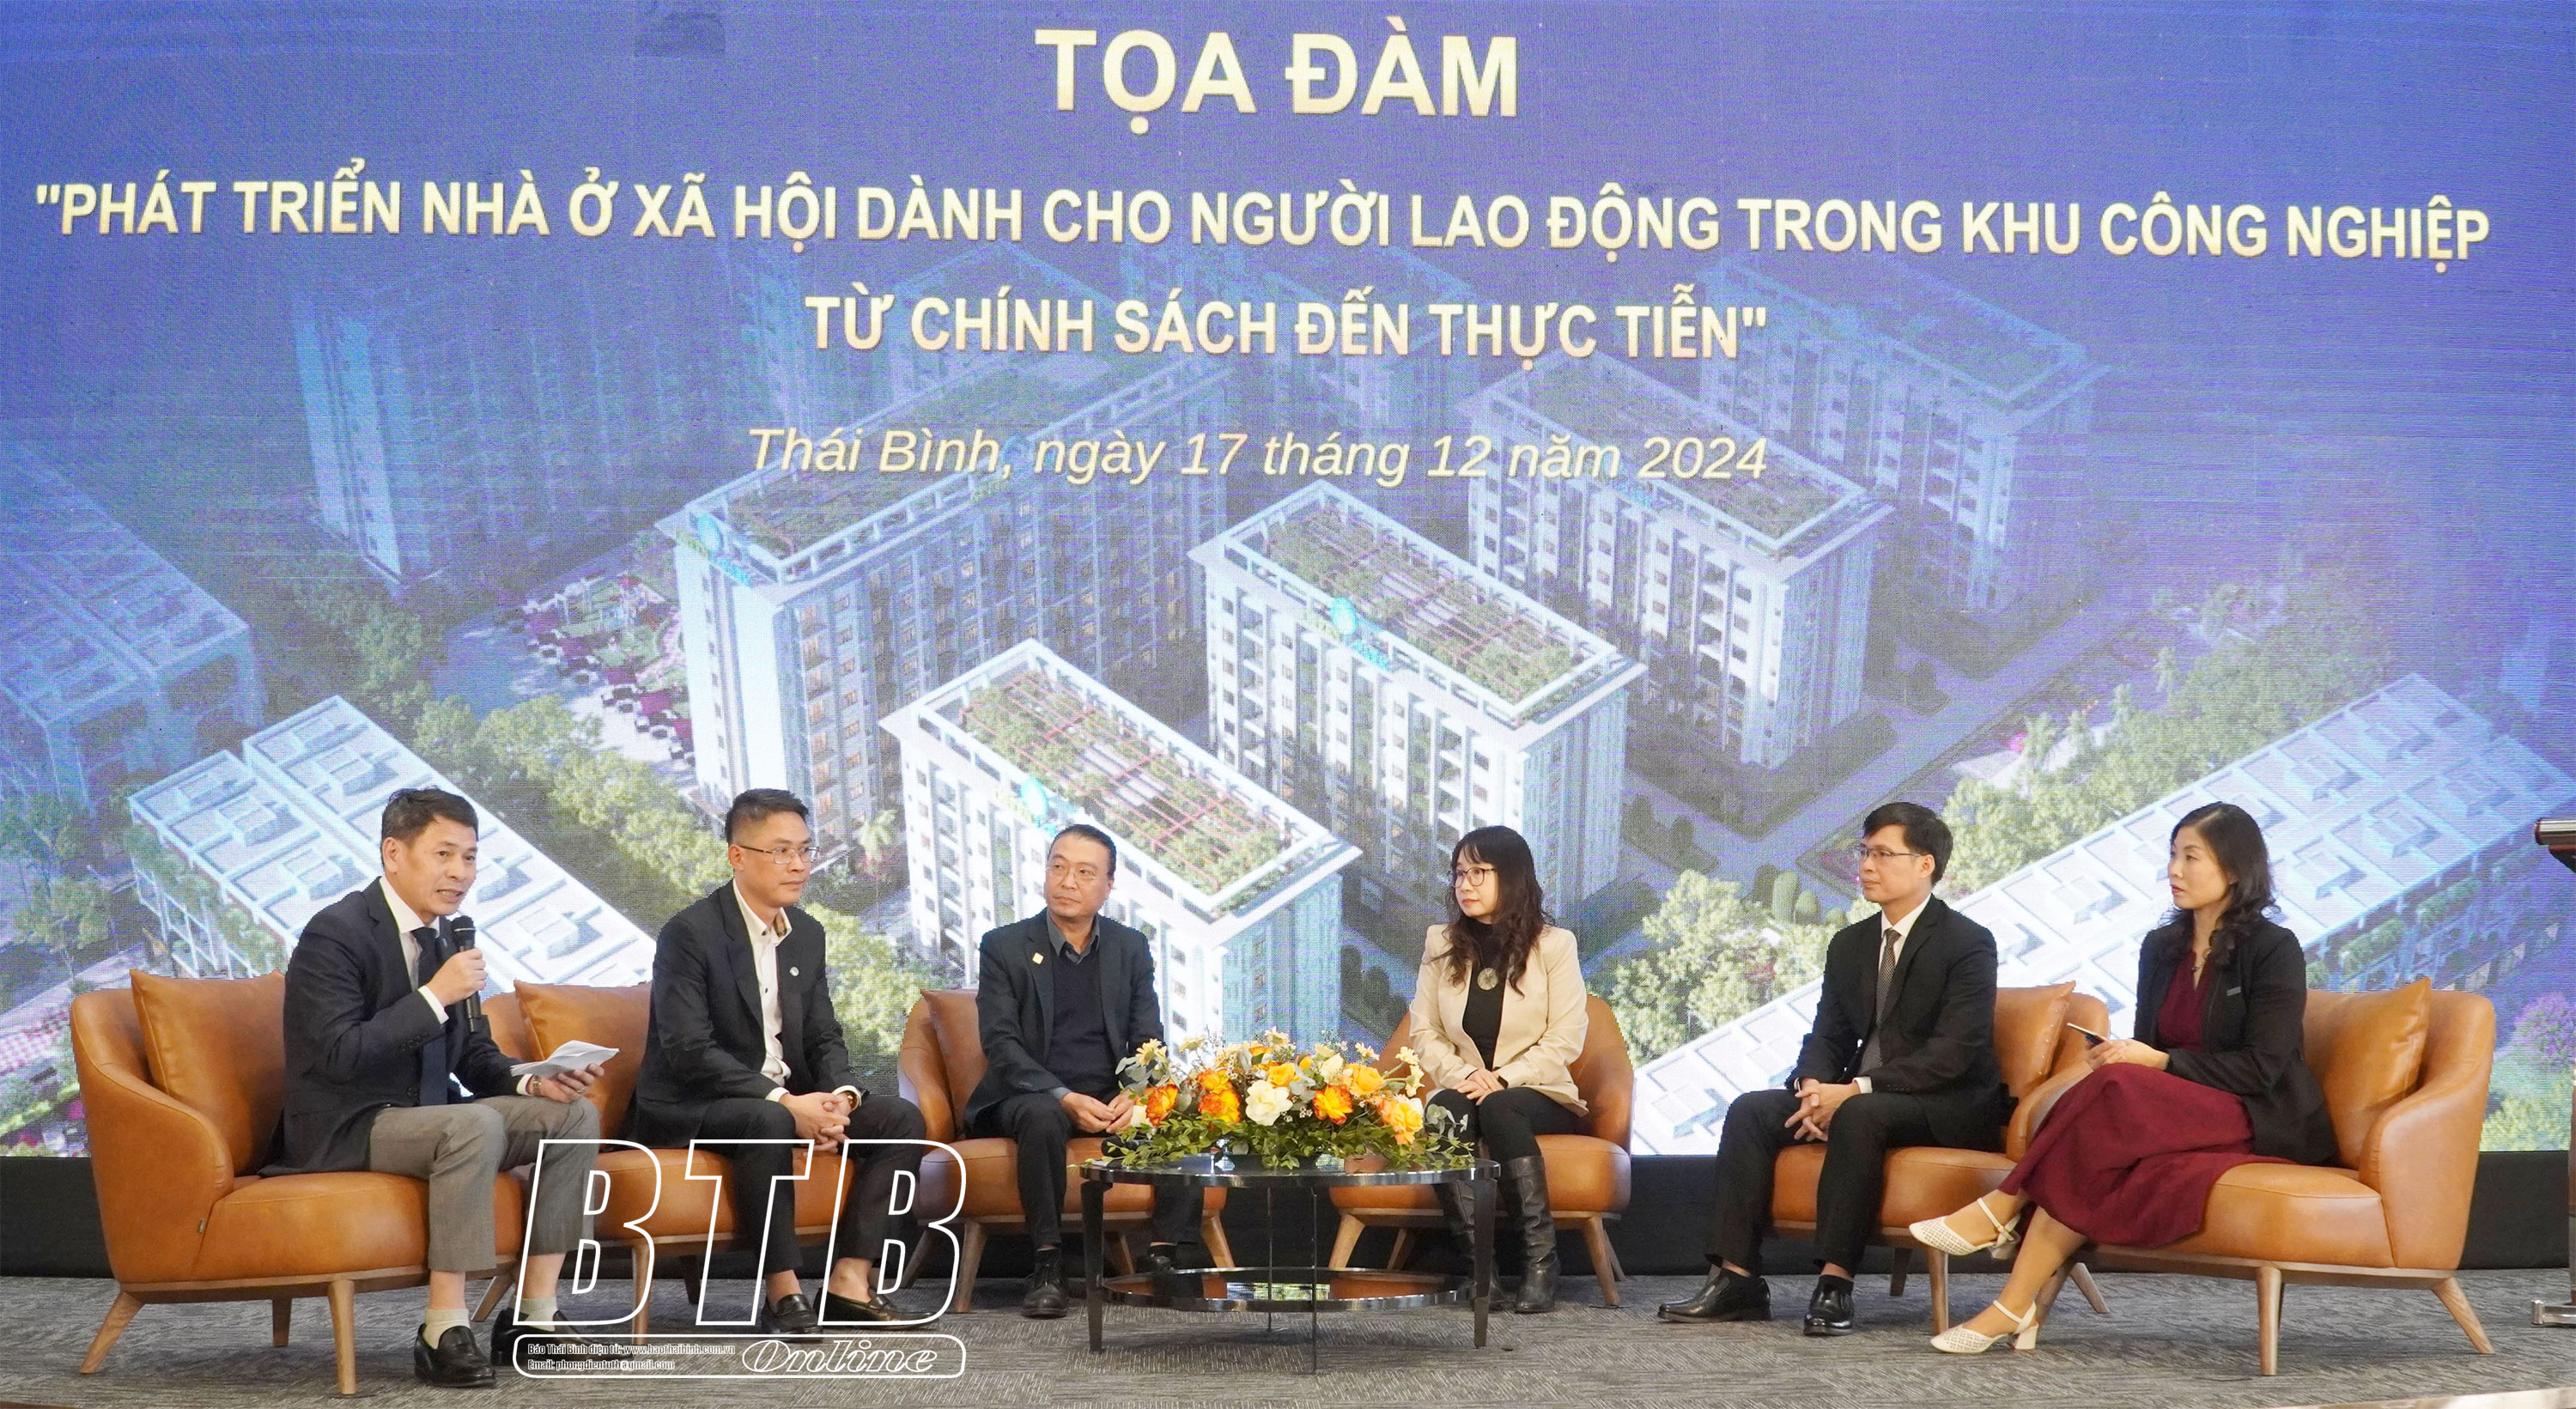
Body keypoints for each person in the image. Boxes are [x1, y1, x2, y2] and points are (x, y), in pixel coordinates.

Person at [1911, 800, 2336, 1353]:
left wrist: (2157, 1064)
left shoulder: (2273, 949)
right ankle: (2012, 1305)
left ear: (2234, 869)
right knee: (2095, 1136)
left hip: (2257, 1110)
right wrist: (2123, 1055)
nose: (2174, 870)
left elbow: (2265, 1066)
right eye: (2172, 855)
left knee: (2116, 1094)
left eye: (2191, 857)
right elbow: (2151, 1042)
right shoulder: (2161, 948)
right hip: (2173, 1107)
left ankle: (2003, 1210)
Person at [273, 787, 606, 1389]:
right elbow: (338, 1054)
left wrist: (535, 1079)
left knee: (572, 1116)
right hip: (347, 1123)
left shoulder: (448, 937)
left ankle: (534, 1315)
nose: (460, 873)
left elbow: (473, 1056)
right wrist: (434, 996)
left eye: (470, 857)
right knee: (471, 1123)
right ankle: (443, 1326)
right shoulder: (335, 933)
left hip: (429, 1117)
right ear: (393, 852)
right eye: (444, 854)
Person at [1662, 801, 2009, 1336]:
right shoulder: (1851, 944)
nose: (1866, 865)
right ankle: (1737, 1280)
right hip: (1861, 1097)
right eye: (1864, 852)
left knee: (1860, 1114)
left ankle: (1835, 1283)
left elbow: (1954, 1053)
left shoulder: (1967, 942)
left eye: (1883, 854)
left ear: (1925, 865)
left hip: (1946, 1103)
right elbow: (1828, 1034)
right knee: (1752, 1111)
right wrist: (1813, 1089)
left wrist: (1853, 1091)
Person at [628, 789, 929, 1333]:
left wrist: (841, 1099)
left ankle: (849, 1282)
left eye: (805, 850)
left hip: (782, 1099)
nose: (798, 865)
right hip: (695, 1103)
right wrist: (788, 1103)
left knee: (899, 1119)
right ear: (737, 856)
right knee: (768, 1118)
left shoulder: (806, 933)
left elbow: (823, 1035)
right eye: (781, 851)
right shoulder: (690, 934)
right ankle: (782, 1289)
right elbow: (689, 1050)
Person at [960, 823, 1206, 1318]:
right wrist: (1063, 1096)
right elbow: (1001, 1044)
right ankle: (1047, 1263)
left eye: (1085, 872)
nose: (1067, 881)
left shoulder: (1129, 947)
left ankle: (1164, 1258)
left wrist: (1136, 1092)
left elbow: (1149, 1038)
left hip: (1110, 1096)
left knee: (1183, 1111)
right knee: (1043, 1115)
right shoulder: (1004, 945)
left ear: (1108, 886)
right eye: (1058, 867)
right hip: (1028, 1094)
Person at [1406, 825, 1591, 1313]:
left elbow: (1566, 1036)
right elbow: (1424, 1030)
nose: (1464, 885)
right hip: (1466, 1085)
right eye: (1458, 874)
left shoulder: (1554, 945)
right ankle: (1478, 1268)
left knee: (1502, 1107)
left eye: (1478, 873)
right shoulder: (1440, 942)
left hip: (1537, 1091)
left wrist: (1503, 1078)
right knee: (1445, 1112)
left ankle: (1540, 1262)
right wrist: (1464, 1077)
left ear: (1510, 877)